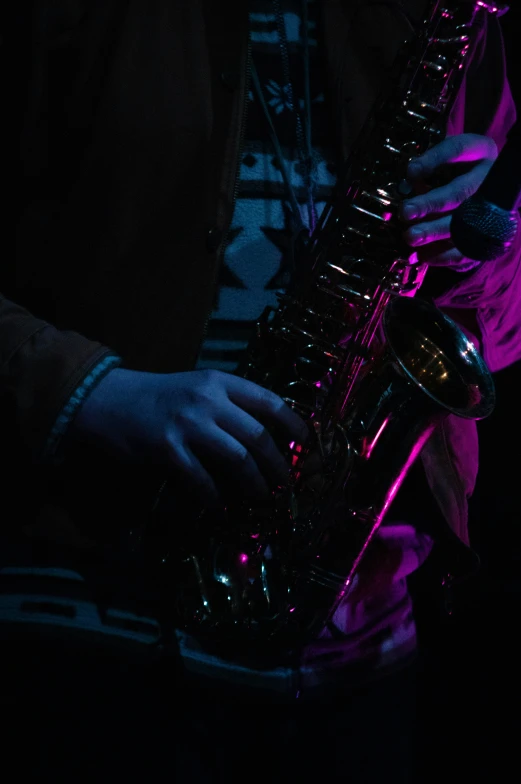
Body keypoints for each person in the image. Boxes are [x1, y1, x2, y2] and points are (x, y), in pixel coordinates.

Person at [2, 0, 519, 781]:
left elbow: (497, 342)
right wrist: (93, 392)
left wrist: (482, 246)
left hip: (357, 646)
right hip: (89, 613)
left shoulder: (445, 21)